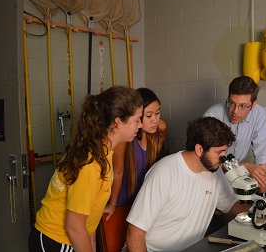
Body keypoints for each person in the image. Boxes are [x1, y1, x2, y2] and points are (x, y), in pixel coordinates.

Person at [28, 85, 143, 252]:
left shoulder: (104, 150)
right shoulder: (91, 163)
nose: (140, 125)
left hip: (70, 237)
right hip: (55, 241)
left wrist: (92, 243)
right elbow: (74, 227)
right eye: (136, 120)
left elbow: (88, 214)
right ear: (118, 122)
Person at [125, 117, 254, 251]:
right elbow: (135, 232)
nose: (223, 157)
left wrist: (260, 210)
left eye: (225, 151)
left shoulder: (214, 172)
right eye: (219, 152)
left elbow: (230, 205)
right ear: (199, 149)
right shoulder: (164, 172)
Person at [102, 87, 167, 251]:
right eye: (149, 116)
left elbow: (154, 165)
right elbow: (117, 172)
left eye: (158, 113)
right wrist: (112, 204)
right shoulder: (124, 139)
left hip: (141, 204)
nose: (155, 120)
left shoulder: (159, 129)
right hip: (121, 202)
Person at [204, 76, 266, 192]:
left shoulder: (259, 114)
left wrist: (263, 200)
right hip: (211, 176)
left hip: (239, 176)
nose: (235, 111)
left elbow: (262, 161)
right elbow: (210, 161)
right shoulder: (212, 116)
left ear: (253, 105)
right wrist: (245, 166)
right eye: (232, 103)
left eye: (243, 106)